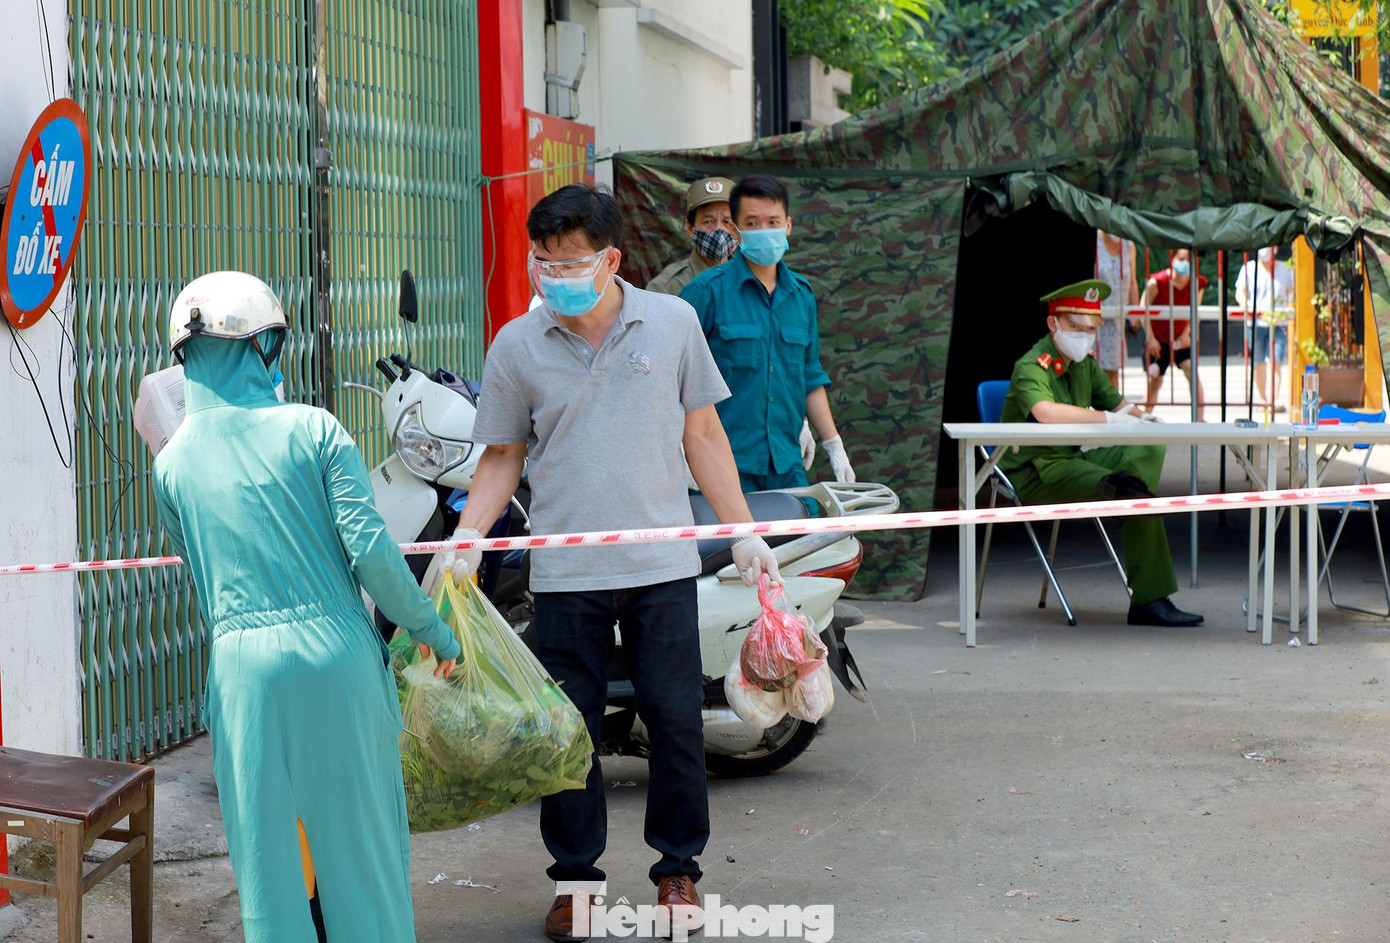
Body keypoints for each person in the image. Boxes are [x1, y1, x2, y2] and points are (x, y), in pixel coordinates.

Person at [440, 184, 782, 942]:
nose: (552, 275)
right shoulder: (516, 344)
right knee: (567, 730)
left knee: (675, 721)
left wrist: (744, 531)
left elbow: (705, 437)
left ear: (612, 258)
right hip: (566, 574)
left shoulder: (672, 322)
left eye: (569, 261)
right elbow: (501, 455)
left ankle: (678, 869)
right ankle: (575, 882)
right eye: (542, 261)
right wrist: (468, 537)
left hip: (661, 565)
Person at [151, 272, 461, 942]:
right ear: (263, 345)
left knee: (267, 859)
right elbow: (373, 554)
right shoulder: (315, 430)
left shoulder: (170, 464)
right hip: (334, 658)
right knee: (364, 852)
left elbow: (202, 577)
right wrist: (431, 628)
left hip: (240, 671)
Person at [998, 279, 1204, 628]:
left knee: (1149, 447)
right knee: (1138, 499)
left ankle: (1127, 492)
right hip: (1036, 472)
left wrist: (1147, 420)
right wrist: (1107, 419)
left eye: (1091, 328)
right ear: (1053, 324)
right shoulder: (1032, 365)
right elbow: (1046, 413)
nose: (1084, 335)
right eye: (1075, 327)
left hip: (1073, 462)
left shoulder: (1085, 365)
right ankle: (1149, 599)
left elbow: (1119, 404)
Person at [680, 174, 855, 491]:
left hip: (786, 463)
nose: (764, 231)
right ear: (735, 230)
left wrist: (833, 444)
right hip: (723, 465)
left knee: (807, 535)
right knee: (736, 541)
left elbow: (809, 375)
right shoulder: (704, 293)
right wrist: (680, 450)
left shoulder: (801, 295)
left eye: (773, 222)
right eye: (752, 222)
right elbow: (673, 379)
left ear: (788, 225)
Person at [1141, 248, 1209, 419]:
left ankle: (1199, 420)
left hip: (1180, 337)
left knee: (1191, 371)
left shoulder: (1197, 283)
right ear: (1172, 259)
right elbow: (1142, 310)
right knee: (1155, 379)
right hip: (1158, 338)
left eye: (1189, 259)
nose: (1185, 263)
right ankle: (1144, 419)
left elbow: (1195, 311)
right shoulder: (1157, 283)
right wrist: (1151, 338)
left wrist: (1186, 334)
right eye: (1181, 259)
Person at [646, 176, 738, 297]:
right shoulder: (666, 287)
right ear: (690, 228)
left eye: (726, 221)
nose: (718, 230)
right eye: (708, 222)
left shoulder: (750, 278)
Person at [1235, 246, 1295, 412]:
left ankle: (1273, 401)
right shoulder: (1249, 269)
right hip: (1256, 323)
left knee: (1275, 361)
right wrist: (1245, 305)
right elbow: (1240, 291)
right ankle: (1262, 398)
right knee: (1258, 361)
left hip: (1278, 322)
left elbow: (1292, 293)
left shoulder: (1284, 268)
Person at [1095, 230, 1140, 389]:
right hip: (1094, 317)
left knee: (1112, 372)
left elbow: (1133, 281)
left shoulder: (1128, 245)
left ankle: (1112, 412)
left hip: (1117, 319)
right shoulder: (1095, 241)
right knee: (1089, 370)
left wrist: (1135, 312)